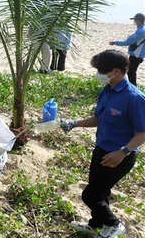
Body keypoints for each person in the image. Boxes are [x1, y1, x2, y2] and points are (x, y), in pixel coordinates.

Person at [61, 49, 145, 238]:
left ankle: (114, 225)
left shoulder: (134, 98)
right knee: (101, 191)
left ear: (115, 71)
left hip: (119, 156)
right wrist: (75, 123)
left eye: (100, 70)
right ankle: (96, 224)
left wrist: (122, 152)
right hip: (101, 149)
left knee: (90, 195)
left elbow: (142, 132)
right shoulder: (107, 90)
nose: (98, 74)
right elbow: (98, 118)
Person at [109, 13, 145, 86]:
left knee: (131, 72)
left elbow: (127, 42)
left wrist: (115, 42)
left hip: (136, 55)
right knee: (130, 71)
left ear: (138, 21)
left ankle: (133, 89)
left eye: (135, 20)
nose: (134, 22)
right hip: (139, 55)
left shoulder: (141, 31)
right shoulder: (141, 29)